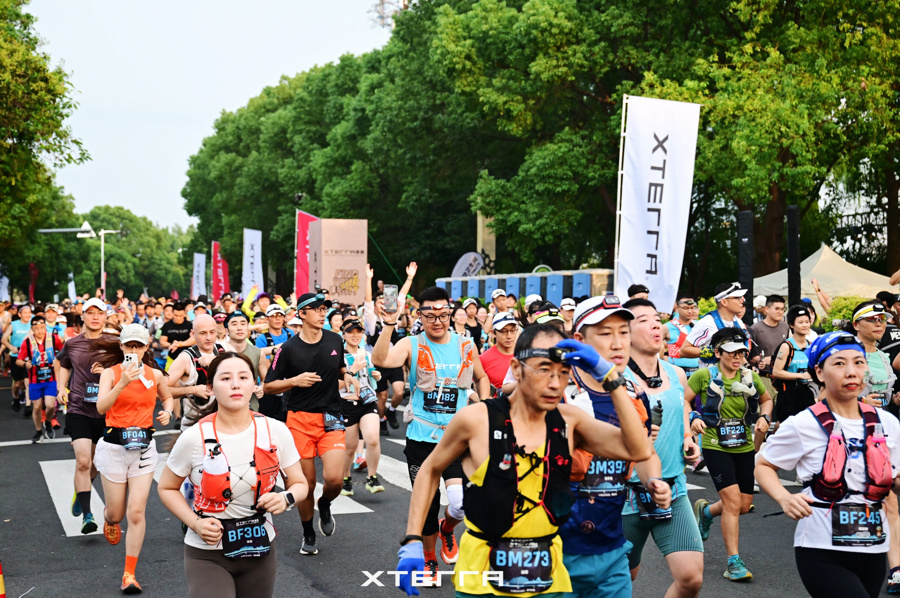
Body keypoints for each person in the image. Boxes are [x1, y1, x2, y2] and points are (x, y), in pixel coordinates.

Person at [394, 324, 654, 597]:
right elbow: (430, 469)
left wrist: (609, 376)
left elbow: (638, 449)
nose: (555, 383)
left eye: (563, 373)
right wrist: (413, 539)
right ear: (516, 369)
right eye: (544, 370)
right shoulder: (476, 419)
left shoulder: (569, 421)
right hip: (483, 580)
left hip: (549, 580)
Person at [756, 332, 900, 598]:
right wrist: (785, 498)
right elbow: (764, 465)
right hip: (821, 549)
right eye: (839, 363)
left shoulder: (888, 423)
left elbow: (895, 478)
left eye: (858, 362)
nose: (851, 372)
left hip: (874, 548)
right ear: (820, 372)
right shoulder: (802, 423)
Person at [158, 352, 309, 598]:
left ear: (254, 385)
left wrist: (286, 498)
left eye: (243, 377)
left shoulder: (276, 431)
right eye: (226, 378)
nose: (236, 384)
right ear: (210, 388)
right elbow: (166, 487)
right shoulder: (193, 437)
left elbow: (300, 483)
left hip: (260, 549)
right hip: (207, 554)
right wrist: (195, 523)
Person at [373, 286, 490, 584]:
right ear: (420, 316)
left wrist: (486, 406)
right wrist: (389, 323)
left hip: (457, 440)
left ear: (450, 314)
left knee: (460, 503)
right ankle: (429, 559)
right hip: (421, 440)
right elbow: (381, 359)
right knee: (426, 504)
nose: (437, 321)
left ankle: (447, 528)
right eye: (430, 316)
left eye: (443, 315)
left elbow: (481, 376)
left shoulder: (466, 344)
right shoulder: (411, 343)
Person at [559, 295, 671, 598]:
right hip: (556, 550)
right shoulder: (559, 391)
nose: (618, 343)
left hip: (611, 551)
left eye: (624, 332)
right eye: (606, 333)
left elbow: (645, 453)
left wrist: (654, 481)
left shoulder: (632, 393)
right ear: (580, 340)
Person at [621, 299, 704, 597]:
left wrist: (687, 438)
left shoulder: (676, 373)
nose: (655, 324)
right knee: (623, 578)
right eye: (643, 320)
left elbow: (681, 406)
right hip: (625, 495)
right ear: (625, 332)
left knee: (691, 578)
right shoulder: (615, 380)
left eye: (656, 318)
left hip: (673, 490)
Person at [263, 291, 351, 557]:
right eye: (317, 309)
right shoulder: (287, 349)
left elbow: (340, 367)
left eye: (325, 309)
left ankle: (324, 504)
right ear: (301, 314)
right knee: (306, 484)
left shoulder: (335, 339)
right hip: (299, 421)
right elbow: (268, 386)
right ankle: (308, 532)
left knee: (334, 479)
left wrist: (349, 376)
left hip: (331, 416)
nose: (323, 313)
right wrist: (294, 381)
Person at [92, 324, 175, 594]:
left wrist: (167, 412)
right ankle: (108, 519)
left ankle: (129, 574)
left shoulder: (155, 374)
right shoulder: (110, 373)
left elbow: (167, 397)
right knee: (117, 514)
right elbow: (101, 407)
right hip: (114, 448)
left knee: (136, 512)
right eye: (129, 345)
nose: (134, 350)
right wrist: (122, 383)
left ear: (147, 347)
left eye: (139, 346)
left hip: (144, 449)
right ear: (122, 346)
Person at [688, 327, 773, 581]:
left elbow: (767, 399)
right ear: (717, 353)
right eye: (732, 352)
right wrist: (693, 417)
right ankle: (733, 562)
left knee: (743, 505)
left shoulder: (750, 377)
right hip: (715, 444)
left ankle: (706, 513)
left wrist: (765, 417)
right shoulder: (704, 375)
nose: (738, 357)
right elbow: (683, 399)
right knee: (733, 502)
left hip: (744, 445)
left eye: (742, 353)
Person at [57, 298, 113, 533]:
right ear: (83, 316)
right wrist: (61, 387)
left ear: (105, 316)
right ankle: (87, 515)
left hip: (106, 410)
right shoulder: (72, 343)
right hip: (78, 408)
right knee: (83, 461)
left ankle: (82, 490)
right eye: (90, 312)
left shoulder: (115, 343)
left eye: (99, 312)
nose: (95, 317)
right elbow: (63, 364)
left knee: (97, 463)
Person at [338, 318, 384, 495]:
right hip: (347, 403)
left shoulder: (365, 353)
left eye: (358, 331)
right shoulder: (338, 357)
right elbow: (335, 385)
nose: (355, 335)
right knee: (350, 448)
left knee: (372, 439)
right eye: (350, 332)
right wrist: (353, 370)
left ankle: (372, 478)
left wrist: (376, 375)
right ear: (343, 334)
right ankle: (346, 478)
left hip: (367, 401)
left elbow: (371, 377)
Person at [167, 314, 224, 429]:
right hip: (195, 426)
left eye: (212, 332)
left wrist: (216, 360)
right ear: (193, 334)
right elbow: (159, 391)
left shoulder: (222, 350)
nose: (209, 337)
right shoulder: (185, 358)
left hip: (222, 423)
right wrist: (192, 390)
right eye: (203, 333)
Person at [17, 314, 64, 443]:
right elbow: (18, 360)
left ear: (45, 327)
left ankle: (48, 422)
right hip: (34, 380)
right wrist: (25, 364)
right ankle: (38, 432)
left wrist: (57, 360)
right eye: (36, 328)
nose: (40, 331)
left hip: (50, 379)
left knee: (50, 406)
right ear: (32, 329)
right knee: (37, 407)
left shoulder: (53, 339)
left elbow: (64, 352)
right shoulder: (27, 342)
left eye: (42, 327)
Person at [770, 305, 815, 423]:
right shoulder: (786, 346)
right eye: (800, 322)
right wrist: (800, 375)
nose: (805, 325)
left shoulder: (811, 345)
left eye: (807, 322)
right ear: (791, 324)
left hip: (806, 392)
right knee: (787, 426)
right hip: (787, 394)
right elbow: (776, 372)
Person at [680, 282, 748, 359]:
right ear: (724, 302)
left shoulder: (739, 322)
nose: (742, 301)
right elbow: (683, 350)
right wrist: (713, 351)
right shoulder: (707, 322)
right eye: (737, 298)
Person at [4, 303, 33, 414]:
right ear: (20, 314)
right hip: (16, 357)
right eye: (25, 313)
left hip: (28, 357)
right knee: (17, 383)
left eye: (29, 312)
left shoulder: (33, 324)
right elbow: (3, 339)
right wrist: (11, 347)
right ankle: (15, 398)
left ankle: (28, 406)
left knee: (27, 381)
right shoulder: (13, 324)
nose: (27, 315)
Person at [479, 313, 518, 391]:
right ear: (493, 333)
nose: (509, 336)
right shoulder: (483, 359)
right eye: (504, 331)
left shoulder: (527, 354)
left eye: (513, 330)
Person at [665, 293, 700, 377]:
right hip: (676, 372)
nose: (690, 311)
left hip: (697, 371)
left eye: (692, 308)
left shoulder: (699, 325)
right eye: (685, 308)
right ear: (677, 307)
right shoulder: (667, 327)